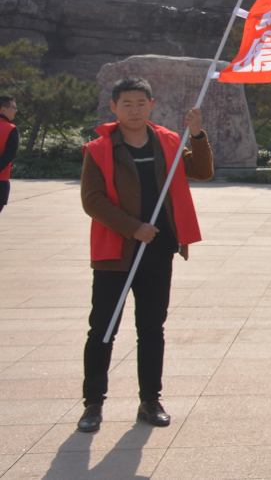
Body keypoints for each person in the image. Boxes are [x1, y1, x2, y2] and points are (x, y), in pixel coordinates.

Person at [77, 76, 214, 433]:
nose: (134, 110)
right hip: (115, 252)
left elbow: (202, 172)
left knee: (152, 327)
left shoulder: (169, 141)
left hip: (158, 249)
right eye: (127, 103)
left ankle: (150, 400)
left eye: (141, 103)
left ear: (151, 105)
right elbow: (92, 200)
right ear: (114, 107)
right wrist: (131, 227)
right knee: (103, 328)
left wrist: (197, 135)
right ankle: (93, 403)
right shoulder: (99, 149)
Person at [0, 94, 18, 215]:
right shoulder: (11, 129)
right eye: (14, 107)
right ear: (3, 109)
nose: (16, 110)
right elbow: (9, 154)